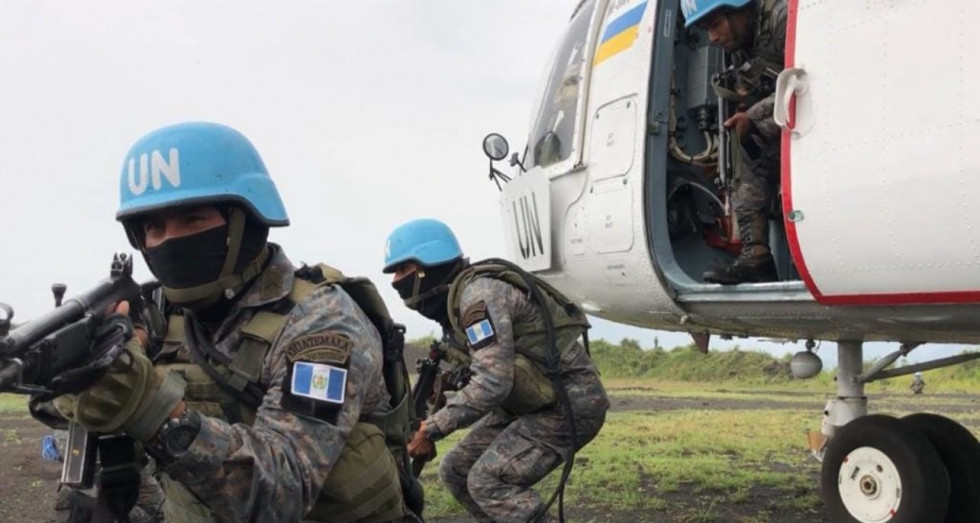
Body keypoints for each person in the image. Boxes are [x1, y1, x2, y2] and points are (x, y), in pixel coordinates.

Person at [49, 122, 418, 522]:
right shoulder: (163, 313)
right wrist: (81, 387)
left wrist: (148, 405)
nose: (169, 240)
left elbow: (284, 490)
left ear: (246, 222)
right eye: (154, 227)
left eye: (193, 219)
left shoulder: (322, 322)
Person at [383, 218, 609, 523]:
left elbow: (493, 382)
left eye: (402, 270)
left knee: (488, 481)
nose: (396, 281)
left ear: (428, 266)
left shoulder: (479, 296)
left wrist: (432, 428)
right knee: (456, 471)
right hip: (529, 404)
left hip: (568, 403)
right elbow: (486, 371)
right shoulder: (456, 305)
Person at [683, 0, 788, 284]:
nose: (712, 38)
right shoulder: (742, 49)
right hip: (790, 129)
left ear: (741, 8)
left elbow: (814, 81)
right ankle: (756, 256)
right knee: (741, 152)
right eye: (706, 29)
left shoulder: (784, 19)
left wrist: (753, 118)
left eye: (716, 25)